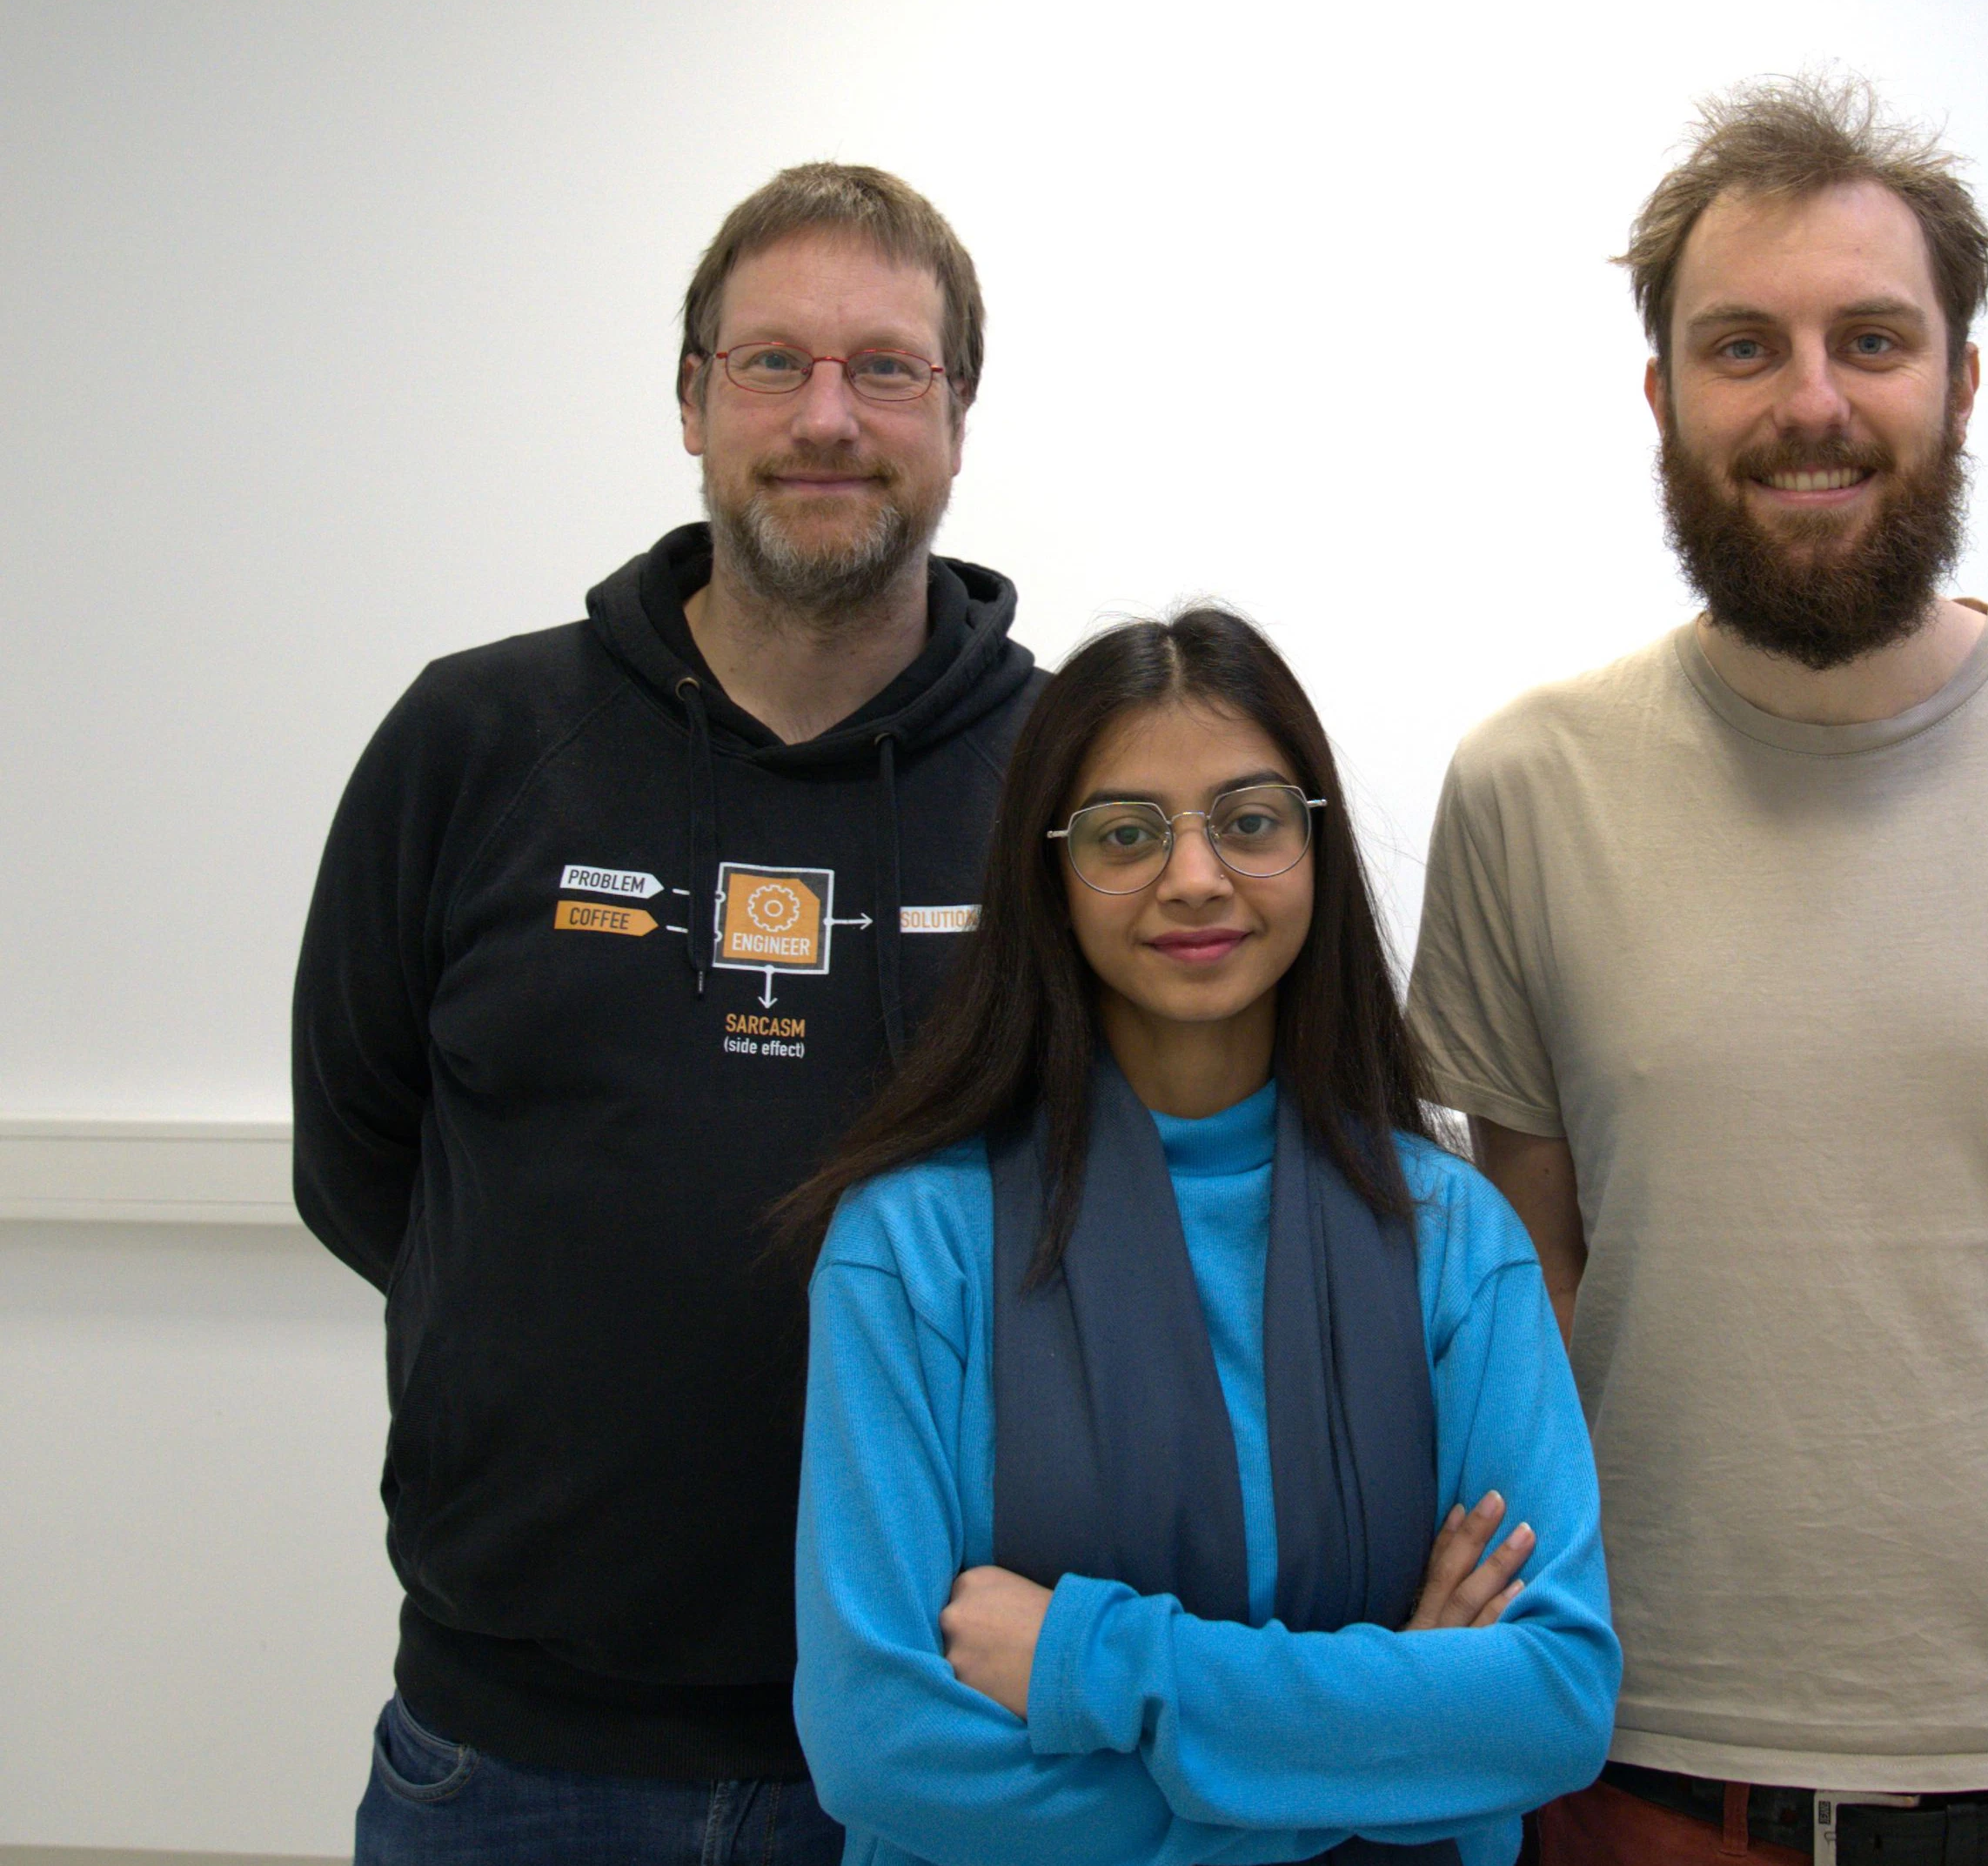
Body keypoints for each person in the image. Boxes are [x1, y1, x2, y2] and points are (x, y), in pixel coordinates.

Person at [1408, 73, 1988, 1866]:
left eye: (1869, 340)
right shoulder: (1525, 787)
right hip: (1655, 1747)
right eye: (1743, 348)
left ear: (1960, 380)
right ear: (1659, 397)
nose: (1810, 402)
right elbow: (1544, 1282)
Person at [291, 164, 1041, 1864]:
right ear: (692, 399)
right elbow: (362, 1163)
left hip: (940, 1742)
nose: (825, 418)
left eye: (885, 369)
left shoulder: (1070, 781)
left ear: (958, 415)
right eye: (772, 364)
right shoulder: (473, 745)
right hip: (513, 1753)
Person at [775, 609, 1617, 1865]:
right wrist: (1379, 1751)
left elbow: (1549, 1702)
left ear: (1316, 848)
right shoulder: (911, 1249)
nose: (1195, 876)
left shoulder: (1455, 1241)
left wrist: (1090, 1661)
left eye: (1251, 819)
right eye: (1124, 833)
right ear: (1048, 876)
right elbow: (879, 1741)